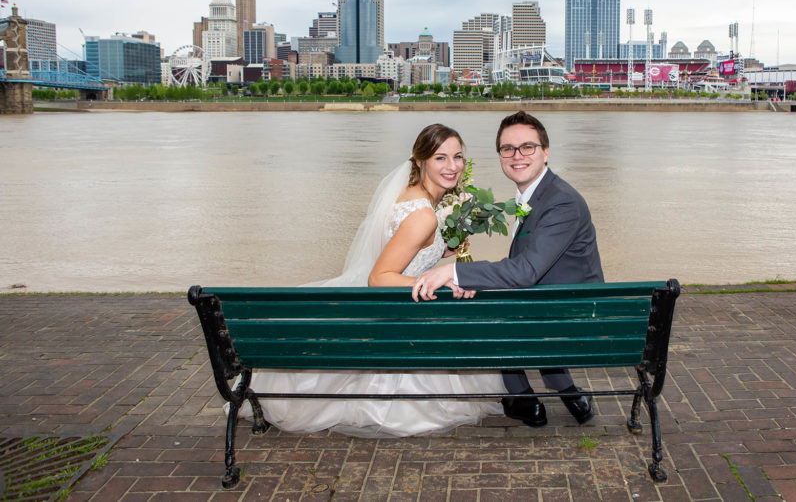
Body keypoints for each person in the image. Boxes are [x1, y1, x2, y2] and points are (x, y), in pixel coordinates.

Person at [237, 123, 504, 437]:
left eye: (457, 157)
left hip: (388, 301)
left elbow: (408, 249)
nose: (453, 166)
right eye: (440, 158)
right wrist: (435, 280)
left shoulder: (413, 197)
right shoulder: (424, 215)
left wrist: (441, 248)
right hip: (395, 309)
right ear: (420, 162)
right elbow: (379, 277)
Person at [413, 111, 603, 428]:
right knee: (495, 297)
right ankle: (570, 394)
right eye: (507, 149)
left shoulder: (562, 203)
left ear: (546, 152)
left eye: (527, 147)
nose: (517, 156)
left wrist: (453, 273)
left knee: (483, 309)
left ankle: (523, 399)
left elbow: (525, 272)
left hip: (569, 317)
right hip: (560, 305)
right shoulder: (540, 194)